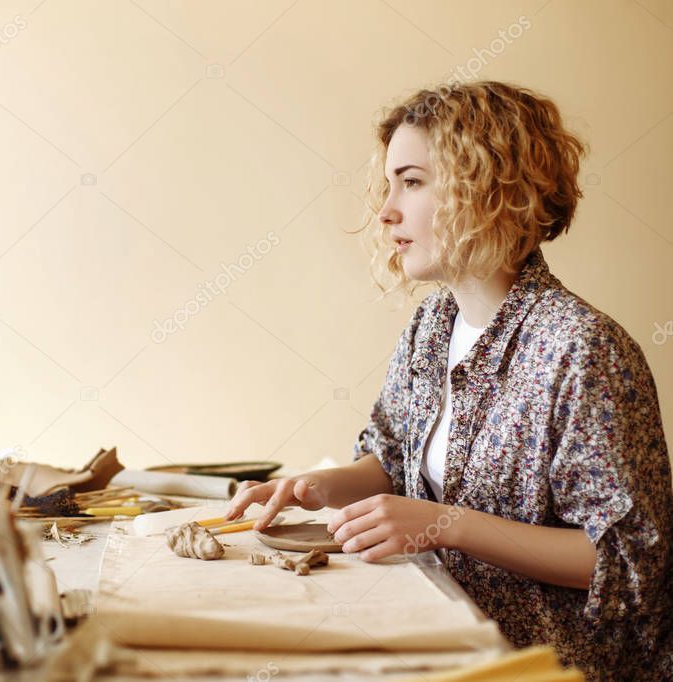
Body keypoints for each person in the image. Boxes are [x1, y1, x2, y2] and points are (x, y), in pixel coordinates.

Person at [225, 80, 672, 681]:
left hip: (545, 666)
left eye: (411, 182)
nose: (386, 211)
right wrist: (315, 487)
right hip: (440, 635)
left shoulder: (584, 350)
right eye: (390, 186)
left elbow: (623, 558)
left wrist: (446, 525)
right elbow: (388, 459)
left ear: (490, 188)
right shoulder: (431, 326)